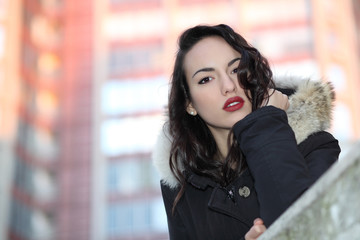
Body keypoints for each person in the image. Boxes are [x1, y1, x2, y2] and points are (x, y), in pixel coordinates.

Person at [152, 24, 340, 240]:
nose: (228, 85)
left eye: (235, 69)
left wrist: (266, 123)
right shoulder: (180, 189)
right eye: (206, 79)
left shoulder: (314, 146)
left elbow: (306, 231)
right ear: (189, 103)